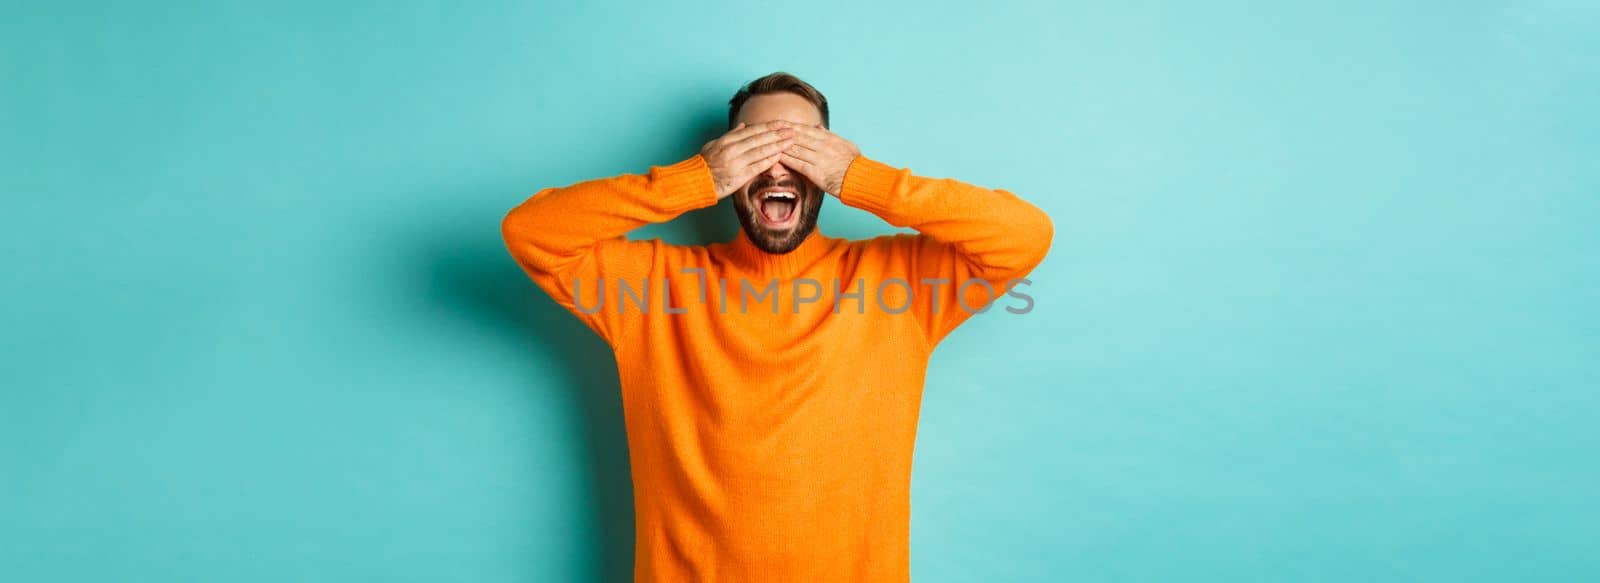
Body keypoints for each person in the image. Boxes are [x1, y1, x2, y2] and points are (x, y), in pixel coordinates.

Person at [501, 71, 1053, 582]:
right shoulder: (651, 288)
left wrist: (861, 178)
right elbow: (531, 231)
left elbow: (1024, 235)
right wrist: (692, 180)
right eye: (754, 144)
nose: (776, 166)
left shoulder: (901, 285)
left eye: (803, 146)